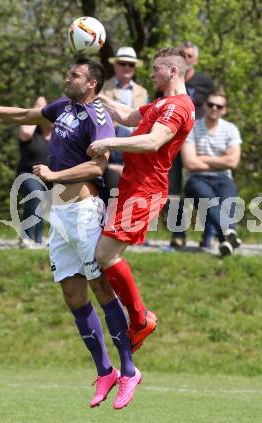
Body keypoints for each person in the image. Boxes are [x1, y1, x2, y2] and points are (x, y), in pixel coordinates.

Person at [0, 58, 141, 410]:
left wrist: (55, 176)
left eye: (74, 74)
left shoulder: (98, 116)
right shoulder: (63, 107)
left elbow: (98, 165)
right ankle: (105, 370)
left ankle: (129, 369)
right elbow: (25, 115)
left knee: (100, 287)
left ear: (91, 83)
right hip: (59, 214)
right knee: (73, 295)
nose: (67, 77)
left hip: (84, 211)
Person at [89, 47, 195, 353]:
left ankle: (140, 318)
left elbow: (152, 141)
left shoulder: (178, 107)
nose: (151, 73)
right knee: (102, 254)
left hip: (144, 190)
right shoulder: (162, 102)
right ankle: (136, 318)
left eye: (156, 68)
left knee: (105, 255)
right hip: (132, 186)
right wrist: (97, 96)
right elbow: (126, 116)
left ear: (173, 71)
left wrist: (109, 141)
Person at [181, 89, 242, 256]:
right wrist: (220, 162)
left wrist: (203, 158)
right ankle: (229, 233)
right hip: (197, 179)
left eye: (219, 106)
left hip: (224, 178)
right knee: (211, 202)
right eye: (211, 104)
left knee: (228, 202)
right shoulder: (192, 128)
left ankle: (226, 244)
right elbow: (190, 163)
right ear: (205, 106)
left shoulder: (231, 130)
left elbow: (233, 162)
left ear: (224, 110)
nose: (214, 108)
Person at [169, 41, 216, 249]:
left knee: (202, 186)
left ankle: (208, 235)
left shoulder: (205, 83)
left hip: (198, 141)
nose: (185, 59)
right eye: (182, 55)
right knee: (173, 189)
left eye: (189, 56)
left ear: (195, 59)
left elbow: (216, 107)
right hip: (172, 140)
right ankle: (177, 234)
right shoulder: (168, 81)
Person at [101, 47, 148, 204]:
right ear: (115, 66)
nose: (127, 67)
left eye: (130, 64)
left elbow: (145, 121)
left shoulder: (143, 92)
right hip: (111, 144)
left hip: (134, 146)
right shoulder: (103, 88)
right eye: (123, 63)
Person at [17, 96, 52, 246]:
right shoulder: (30, 130)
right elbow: (24, 133)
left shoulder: (59, 134)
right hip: (27, 175)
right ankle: (26, 237)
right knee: (36, 193)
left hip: (52, 177)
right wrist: (37, 110)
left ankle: (37, 238)